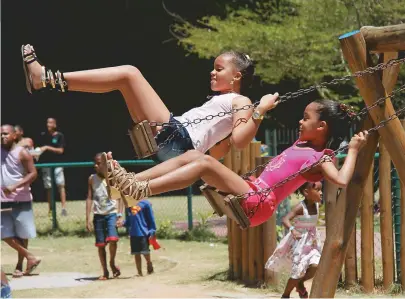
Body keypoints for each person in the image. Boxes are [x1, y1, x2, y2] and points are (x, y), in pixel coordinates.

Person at [102, 99, 368, 227]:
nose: (300, 121)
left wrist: (353, 149)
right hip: (251, 191)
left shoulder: (321, 157)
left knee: (204, 163)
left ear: (321, 127)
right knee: (195, 156)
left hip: (260, 202)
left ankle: (142, 189)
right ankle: (133, 180)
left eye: (305, 118)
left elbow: (342, 180)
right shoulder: (302, 145)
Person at [21, 44, 278, 166]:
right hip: (172, 146)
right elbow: (219, 152)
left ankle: (45, 78)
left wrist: (261, 110)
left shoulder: (241, 101)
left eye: (219, 69)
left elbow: (242, 141)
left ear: (236, 77)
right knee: (122, 82)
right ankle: (46, 79)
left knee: (130, 74)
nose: (212, 73)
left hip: (177, 140)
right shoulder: (224, 101)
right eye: (213, 68)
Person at [265, 181, 323, 299]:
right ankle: (285, 295)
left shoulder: (317, 205)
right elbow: (285, 219)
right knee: (297, 272)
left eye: (321, 190)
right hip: (300, 242)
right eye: (318, 190)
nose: (321, 193)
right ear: (306, 192)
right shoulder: (300, 207)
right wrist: (292, 229)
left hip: (312, 242)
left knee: (316, 265)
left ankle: (300, 283)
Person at [1, 124, 41, 278]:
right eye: (0, 134)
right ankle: (30, 256)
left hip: (21, 199)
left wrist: (15, 186)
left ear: (14, 136)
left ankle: (20, 265)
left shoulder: (22, 153)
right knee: (4, 233)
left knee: (22, 233)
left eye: (6, 134)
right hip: (3, 200)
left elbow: (33, 174)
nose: (3, 137)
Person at [86, 153, 123, 280]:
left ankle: (112, 263)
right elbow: (89, 198)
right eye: (94, 164)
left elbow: (120, 197)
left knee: (113, 239)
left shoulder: (113, 178)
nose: (96, 166)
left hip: (112, 213)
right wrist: (88, 218)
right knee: (101, 245)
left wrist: (120, 215)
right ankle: (105, 271)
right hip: (98, 215)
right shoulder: (92, 179)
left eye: (98, 163)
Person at [117, 199, 157, 276]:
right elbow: (129, 220)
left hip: (143, 232)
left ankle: (149, 263)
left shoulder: (146, 204)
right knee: (136, 253)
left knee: (145, 252)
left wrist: (152, 230)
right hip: (133, 233)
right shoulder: (129, 204)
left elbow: (151, 219)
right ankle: (139, 272)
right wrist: (122, 223)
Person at [38, 117, 67, 216]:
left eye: (50, 123)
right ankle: (51, 209)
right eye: (47, 123)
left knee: (60, 185)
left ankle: (63, 208)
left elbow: (60, 151)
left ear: (55, 125)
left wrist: (47, 148)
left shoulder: (59, 136)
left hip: (57, 164)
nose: (48, 125)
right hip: (46, 164)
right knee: (48, 186)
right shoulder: (43, 136)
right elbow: (40, 149)